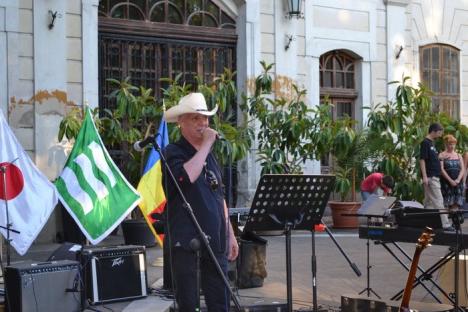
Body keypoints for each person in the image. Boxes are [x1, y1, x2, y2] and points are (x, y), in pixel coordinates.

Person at [162, 92, 238, 311]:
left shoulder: (211, 155)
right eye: (195, 118)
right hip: (186, 239)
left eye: (205, 118)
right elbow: (186, 177)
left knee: (219, 300)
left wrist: (230, 233)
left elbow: (219, 195)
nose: (203, 123)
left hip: (215, 237)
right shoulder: (172, 152)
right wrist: (205, 146)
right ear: (181, 122)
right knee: (189, 302)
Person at [419, 122, 453, 231]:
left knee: (429, 202)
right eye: (439, 132)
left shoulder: (431, 143)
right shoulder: (425, 143)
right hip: (430, 176)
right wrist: (424, 176)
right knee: (438, 200)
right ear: (433, 131)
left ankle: (426, 223)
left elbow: (431, 159)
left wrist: (440, 159)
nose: (440, 135)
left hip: (434, 176)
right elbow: (422, 160)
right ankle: (446, 224)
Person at [439, 134, 465, 212]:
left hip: (457, 182)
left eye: (454, 144)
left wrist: (458, 179)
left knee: (456, 204)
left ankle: (455, 222)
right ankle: (446, 223)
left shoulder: (458, 155)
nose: (452, 146)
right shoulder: (442, 155)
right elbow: (441, 169)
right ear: (446, 144)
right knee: (446, 203)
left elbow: (462, 169)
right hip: (446, 182)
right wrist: (450, 181)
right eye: (450, 144)